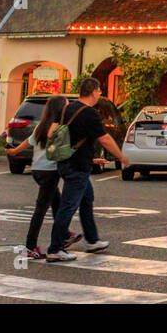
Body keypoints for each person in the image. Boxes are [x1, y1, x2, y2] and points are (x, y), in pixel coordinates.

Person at [45, 79, 129, 263]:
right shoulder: (90, 114)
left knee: (86, 200)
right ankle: (55, 248)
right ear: (93, 92)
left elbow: (51, 132)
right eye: (99, 90)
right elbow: (105, 139)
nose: (99, 94)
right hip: (78, 166)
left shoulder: (66, 109)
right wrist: (121, 156)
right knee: (68, 206)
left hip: (65, 161)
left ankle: (92, 240)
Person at [6, 95, 69, 261]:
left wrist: (14, 151)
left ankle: (65, 235)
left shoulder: (42, 126)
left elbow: (29, 141)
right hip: (49, 171)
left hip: (38, 170)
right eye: (67, 106)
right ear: (60, 109)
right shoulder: (57, 128)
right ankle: (30, 246)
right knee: (40, 210)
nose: (68, 109)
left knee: (57, 204)